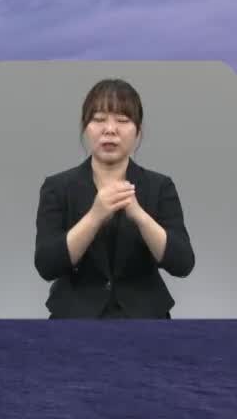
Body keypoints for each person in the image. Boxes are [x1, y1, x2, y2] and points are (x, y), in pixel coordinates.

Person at [33, 77, 195, 317]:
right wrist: (95, 216)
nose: (110, 129)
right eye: (98, 120)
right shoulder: (57, 187)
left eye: (122, 120)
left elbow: (182, 264)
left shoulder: (160, 186)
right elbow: (47, 265)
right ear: (85, 128)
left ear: (138, 131)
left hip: (147, 319)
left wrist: (140, 216)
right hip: (73, 319)